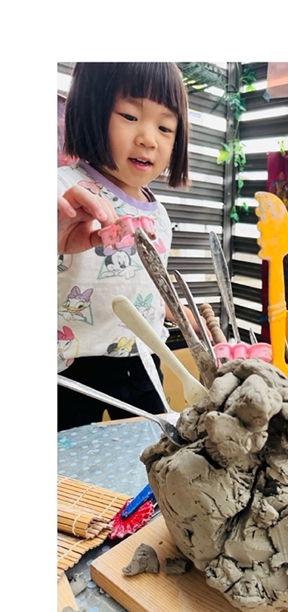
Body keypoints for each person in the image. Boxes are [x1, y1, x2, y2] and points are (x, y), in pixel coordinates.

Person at [57, 62, 194, 431]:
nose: (149, 139)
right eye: (130, 116)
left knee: (153, 451)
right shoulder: (63, 191)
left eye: (165, 127)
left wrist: (174, 309)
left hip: (142, 361)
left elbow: (148, 279)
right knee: (65, 462)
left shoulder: (158, 212)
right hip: (67, 367)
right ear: (91, 109)